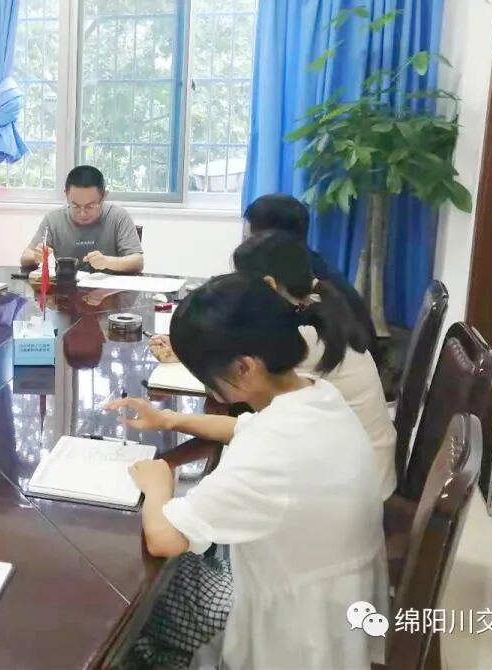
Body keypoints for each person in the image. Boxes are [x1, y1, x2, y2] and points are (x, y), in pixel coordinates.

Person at [107, 274, 387, 669]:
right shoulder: (315, 394)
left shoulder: (270, 452)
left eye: (208, 380)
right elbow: (242, 427)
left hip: (295, 631)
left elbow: (165, 539)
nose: (210, 390)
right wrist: (169, 420)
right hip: (331, 599)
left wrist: (158, 486)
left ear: (243, 368)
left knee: (149, 601)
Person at [150, 231, 397, 501]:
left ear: (268, 285)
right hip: (358, 470)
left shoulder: (297, 338)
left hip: (354, 490)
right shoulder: (315, 311)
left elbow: (231, 381)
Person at [244, 193, 377, 345]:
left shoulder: (296, 285)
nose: (245, 246)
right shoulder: (312, 265)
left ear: (267, 239)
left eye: (249, 238)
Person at [19, 165, 144, 273]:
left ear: (104, 196)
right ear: (66, 195)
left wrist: (107, 262)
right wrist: (36, 256)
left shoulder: (118, 216)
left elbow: (137, 261)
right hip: (67, 288)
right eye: (75, 206)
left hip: (110, 289)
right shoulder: (54, 219)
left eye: (90, 206)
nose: (82, 213)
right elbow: (25, 257)